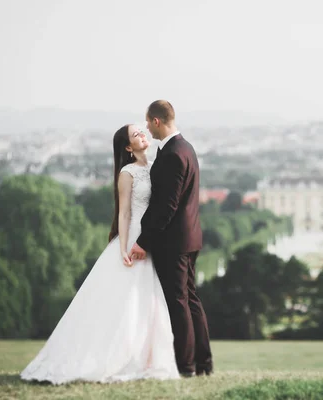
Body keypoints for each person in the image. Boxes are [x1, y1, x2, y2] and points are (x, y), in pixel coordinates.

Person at [20, 124, 179, 384]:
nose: (142, 134)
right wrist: (124, 247)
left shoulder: (156, 166)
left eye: (141, 130)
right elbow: (125, 213)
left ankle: (148, 359)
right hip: (135, 240)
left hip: (154, 241)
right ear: (128, 147)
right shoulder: (127, 173)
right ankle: (120, 358)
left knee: (149, 300)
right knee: (126, 300)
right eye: (135, 134)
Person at [129, 100, 213, 377]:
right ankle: (203, 364)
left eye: (147, 123)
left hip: (174, 242)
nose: (147, 131)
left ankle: (187, 367)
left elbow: (167, 206)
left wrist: (144, 241)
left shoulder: (173, 154)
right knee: (191, 302)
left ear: (156, 121)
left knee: (178, 304)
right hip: (190, 237)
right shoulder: (186, 148)